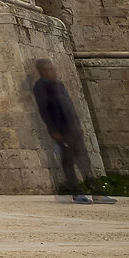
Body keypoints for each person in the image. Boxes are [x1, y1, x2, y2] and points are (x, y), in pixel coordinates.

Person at [31, 59, 109, 202]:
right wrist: (54, 131)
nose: (52, 71)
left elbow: (70, 106)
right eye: (48, 69)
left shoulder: (59, 84)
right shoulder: (40, 87)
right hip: (61, 130)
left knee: (84, 160)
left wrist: (78, 125)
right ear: (41, 71)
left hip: (72, 128)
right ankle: (76, 192)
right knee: (68, 162)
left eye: (52, 68)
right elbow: (44, 111)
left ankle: (96, 191)